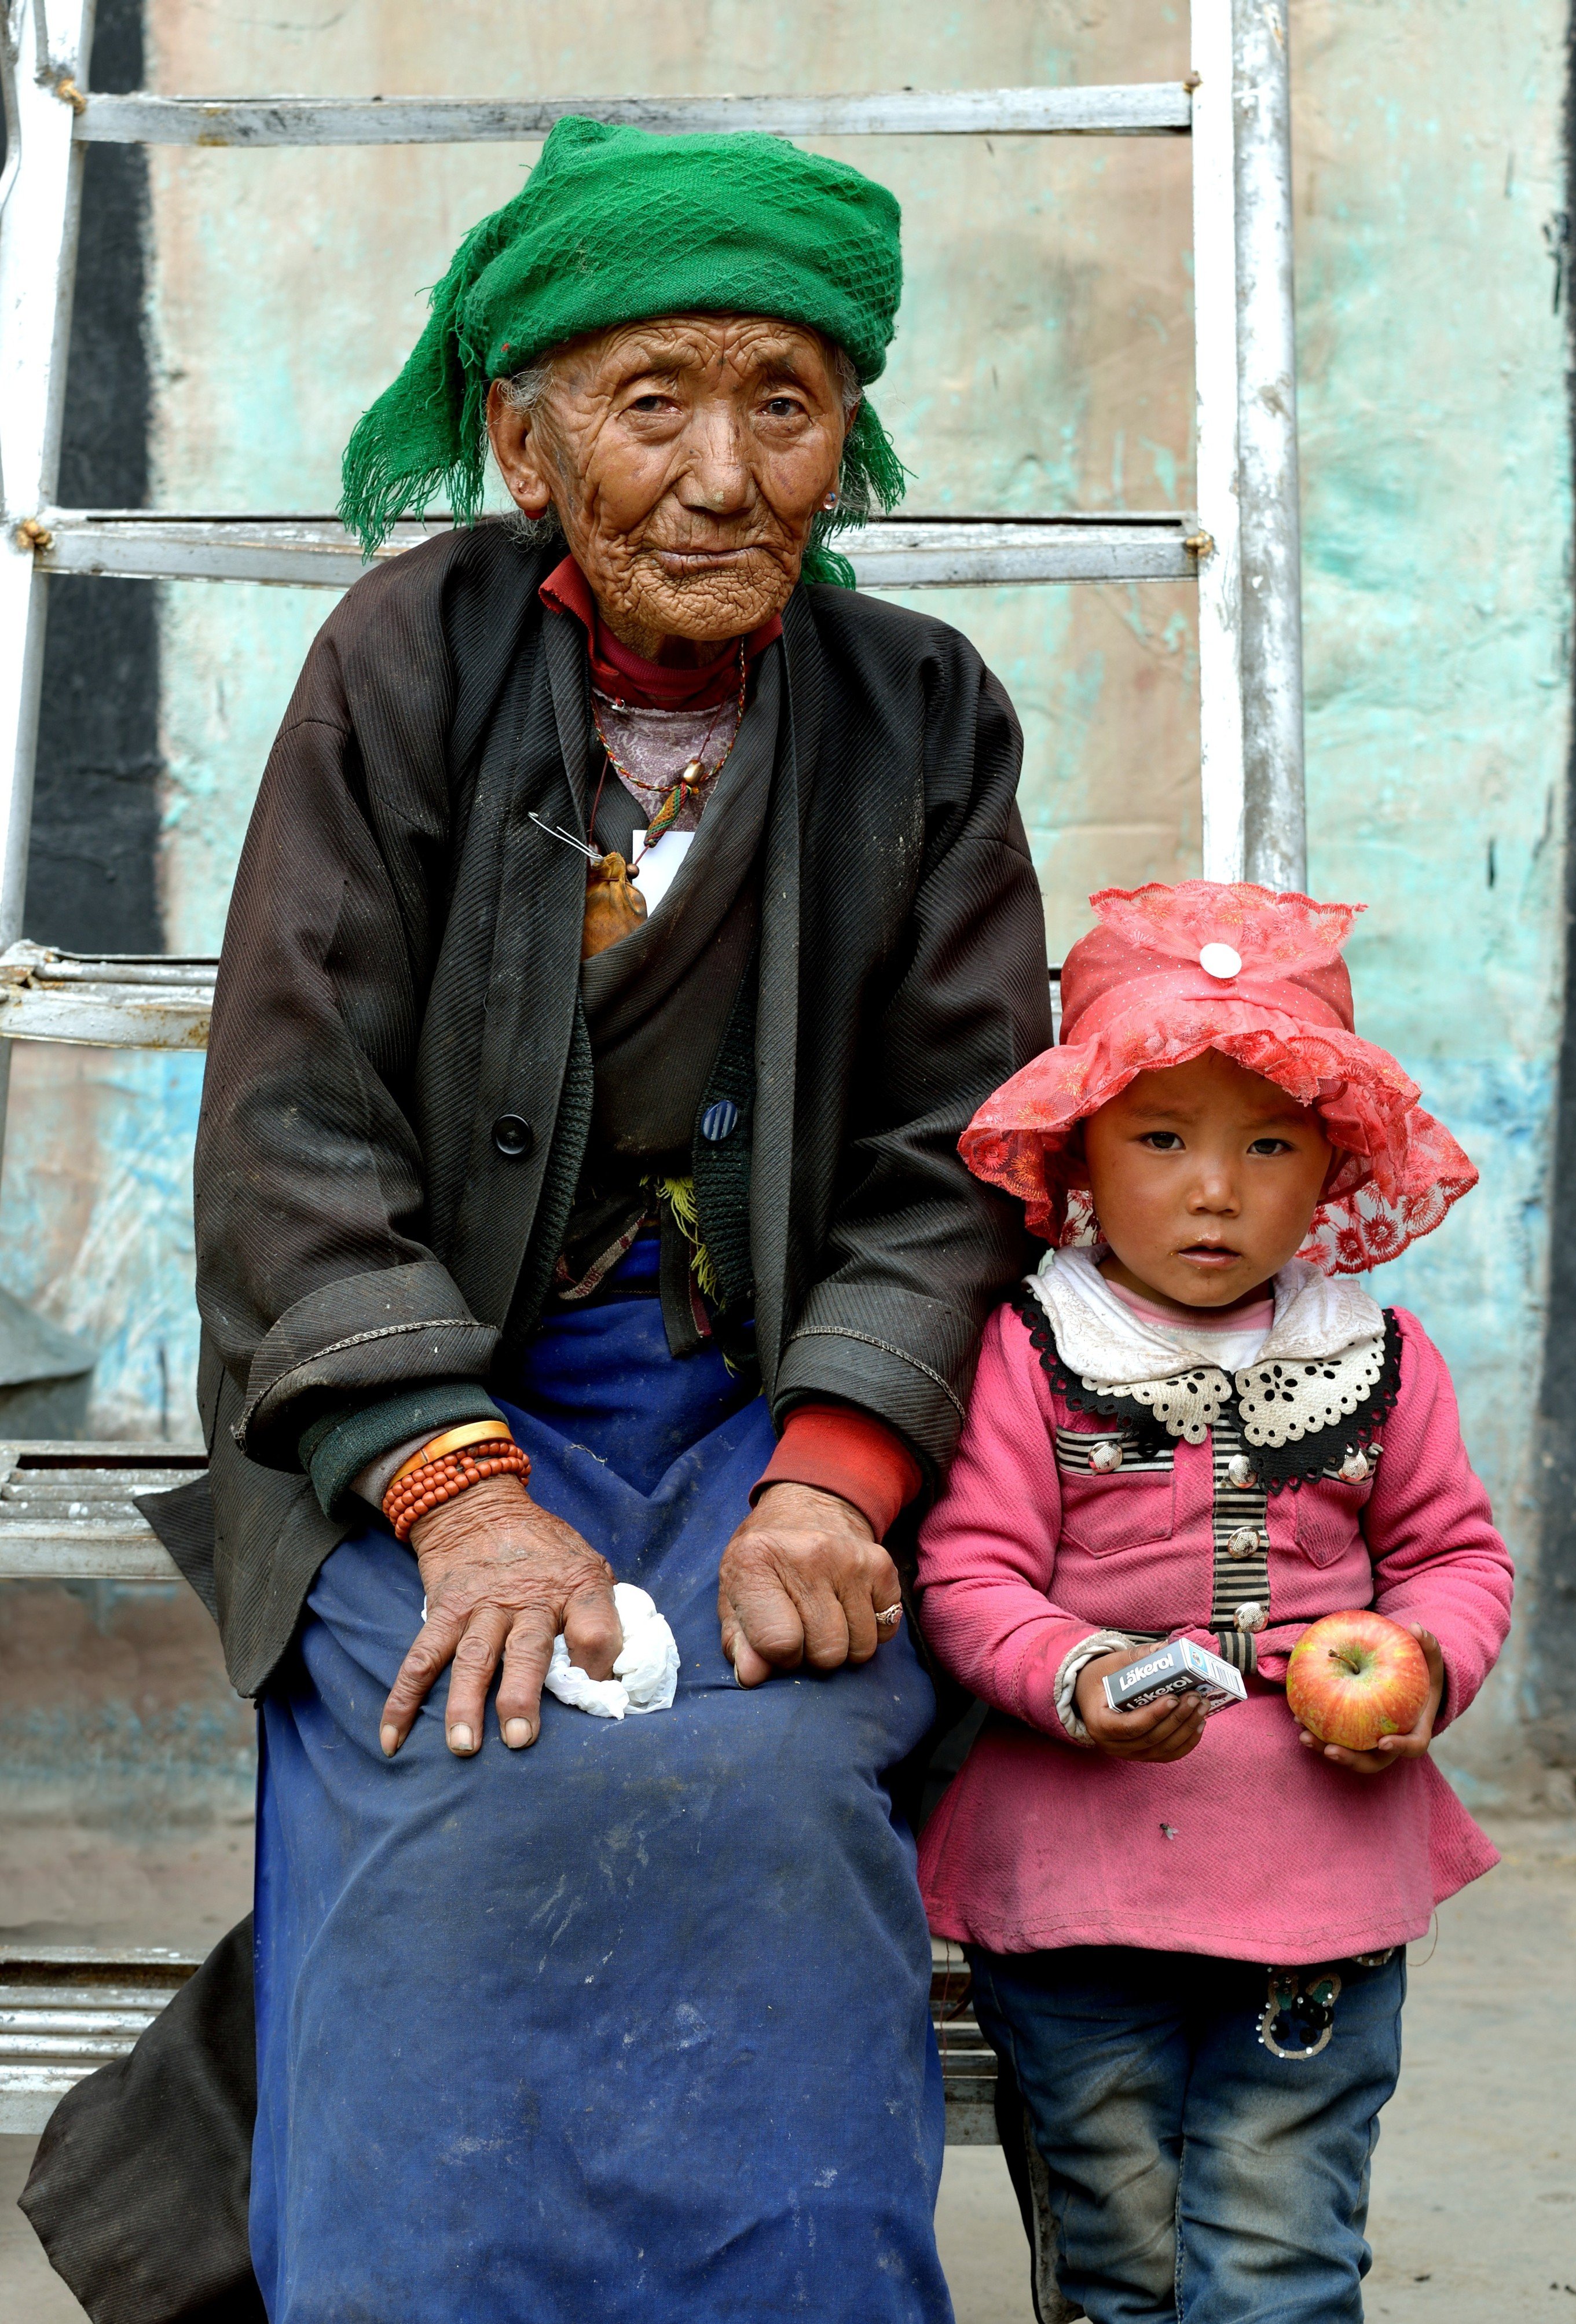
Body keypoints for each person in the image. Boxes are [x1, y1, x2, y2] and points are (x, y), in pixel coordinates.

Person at [31, 116, 1050, 2324]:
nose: (720, 474)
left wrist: (842, 1469)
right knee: (462, 1747)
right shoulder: (411, 659)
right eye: (650, 398)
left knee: (772, 1774)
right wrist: (459, 1493)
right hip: (429, 1417)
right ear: (525, 437)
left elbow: (952, 1154)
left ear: (846, 430)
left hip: (764, 1423)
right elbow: (291, 1117)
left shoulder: (924, 715)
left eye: (782, 401)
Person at [913, 880, 1513, 2324]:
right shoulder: (1034, 1349)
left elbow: (1455, 1557)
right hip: (1075, 1890)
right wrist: (1074, 1673)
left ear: (1331, 1169)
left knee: (1280, 2258)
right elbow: (972, 1572)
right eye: (1162, 1138)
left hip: (1317, 1883)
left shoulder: (1374, 1356)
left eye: (1269, 1145)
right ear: (1080, 1154)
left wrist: (1423, 1668)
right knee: (1119, 2262)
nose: (1215, 1188)